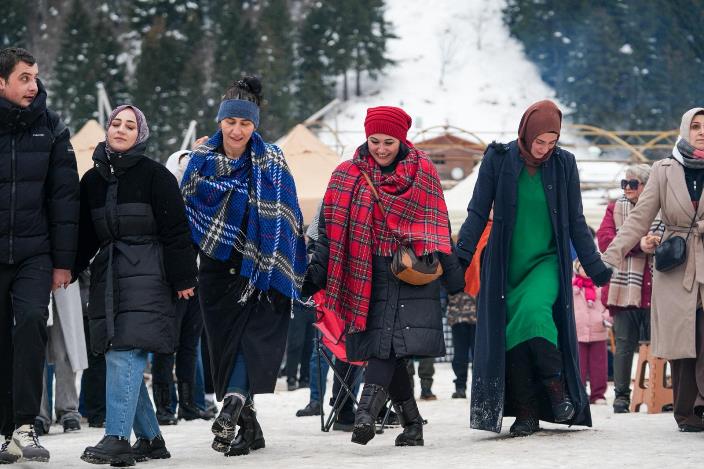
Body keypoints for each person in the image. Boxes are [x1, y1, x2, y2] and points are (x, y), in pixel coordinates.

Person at [303, 106, 464, 447]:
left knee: (385, 347)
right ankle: (412, 425)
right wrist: (315, 274)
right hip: (365, 273)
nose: (380, 148)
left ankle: (365, 414)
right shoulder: (346, 174)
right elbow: (329, 230)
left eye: (388, 142)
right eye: (374, 140)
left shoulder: (423, 171)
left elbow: (438, 223)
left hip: (410, 272)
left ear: (401, 140)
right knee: (387, 348)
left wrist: (453, 276)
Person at [455, 100, 612, 437]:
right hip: (505, 265)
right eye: (540, 141)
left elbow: (576, 220)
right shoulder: (498, 159)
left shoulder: (564, 164)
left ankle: (557, 393)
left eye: (552, 142)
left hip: (546, 261)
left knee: (535, 312)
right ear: (526, 134)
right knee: (512, 331)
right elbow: (478, 211)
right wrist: (461, 258)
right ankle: (526, 413)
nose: (545, 149)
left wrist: (594, 264)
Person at [181, 76, 306, 457]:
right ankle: (250, 429)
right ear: (220, 120)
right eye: (231, 121)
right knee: (225, 347)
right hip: (216, 269)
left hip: (263, 270)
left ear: (255, 125)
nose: (237, 131)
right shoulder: (199, 162)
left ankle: (232, 406)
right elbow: (187, 210)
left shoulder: (273, 160)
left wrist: (282, 258)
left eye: (245, 123)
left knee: (251, 343)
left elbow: (288, 215)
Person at [74, 104, 198, 466]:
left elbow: (176, 230)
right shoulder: (92, 180)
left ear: (139, 135)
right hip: (108, 275)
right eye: (116, 123)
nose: (121, 129)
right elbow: (84, 235)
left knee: (124, 352)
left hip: (149, 274)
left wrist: (183, 277)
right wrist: (67, 268)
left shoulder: (156, 176)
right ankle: (151, 439)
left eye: (130, 126)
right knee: (119, 353)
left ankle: (116, 437)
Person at [0, 47, 79, 464]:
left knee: (31, 322)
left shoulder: (51, 127)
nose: (33, 85)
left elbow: (65, 199)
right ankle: (4, 433)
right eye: (24, 78)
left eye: (35, 77)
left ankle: (25, 425)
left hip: (35, 252)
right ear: (1, 82)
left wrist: (63, 262)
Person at [603, 107, 704, 432]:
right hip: (675, 267)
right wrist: (608, 258)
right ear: (685, 130)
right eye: (696, 126)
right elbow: (639, 219)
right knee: (682, 342)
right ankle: (687, 412)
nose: (702, 132)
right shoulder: (663, 170)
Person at [596, 164, 660, 413]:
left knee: (659, 346)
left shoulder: (662, 208)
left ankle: (659, 393)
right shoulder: (614, 208)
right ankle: (622, 397)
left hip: (656, 288)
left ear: (647, 186)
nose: (627, 188)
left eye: (633, 184)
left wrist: (653, 243)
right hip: (624, 290)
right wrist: (638, 245)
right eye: (624, 183)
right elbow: (605, 241)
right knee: (623, 345)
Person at [36, 283, 87, 435]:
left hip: (64, 280)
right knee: (34, 349)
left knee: (65, 345)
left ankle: (68, 410)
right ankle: (38, 413)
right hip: (32, 276)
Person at [572, 260, 609, 404]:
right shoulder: (572, 287)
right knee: (579, 365)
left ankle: (598, 394)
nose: (586, 270)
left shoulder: (600, 285)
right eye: (582, 267)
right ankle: (580, 393)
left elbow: (607, 304)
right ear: (577, 269)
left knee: (598, 366)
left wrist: (605, 317)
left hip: (598, 330)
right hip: (578, 332)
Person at [446, 288, 477, 399]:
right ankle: (478, 387)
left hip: (458, 313)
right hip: (476, 313)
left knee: (460, 354)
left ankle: (460, 388)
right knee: (478, 354)